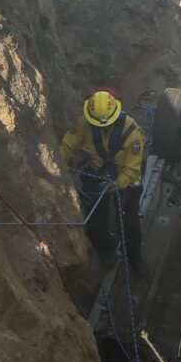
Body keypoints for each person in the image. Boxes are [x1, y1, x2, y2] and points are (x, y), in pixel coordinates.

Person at [59, 89, 147, 277]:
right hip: (96, 174)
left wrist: (117, 185)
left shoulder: (132, 132)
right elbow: (67, 146)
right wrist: (57, 167)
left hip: (126, 178)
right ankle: (106, 254)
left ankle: (134, 258)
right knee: (95, 221)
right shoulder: (84, 124)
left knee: (129, 220)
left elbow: (133, 168)